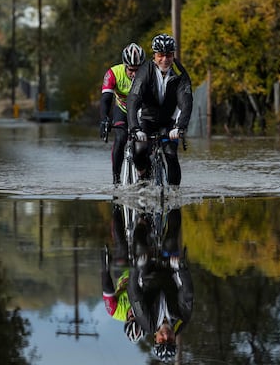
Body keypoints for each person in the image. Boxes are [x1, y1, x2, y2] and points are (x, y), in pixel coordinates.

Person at [127, 208, 193, 362]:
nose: (166, 336)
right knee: (170, 241)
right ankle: (174, 198)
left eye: (162, 340)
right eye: (170, 340)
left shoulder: (147, 323)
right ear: (174, 339)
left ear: (155, 339)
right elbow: (187, 293)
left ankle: (142, 218)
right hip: (169, 271)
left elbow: (134, 294)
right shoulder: (182, 319)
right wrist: (181, 269)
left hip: (148, 274)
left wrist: (136, 268)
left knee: (140, 247)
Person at [127, 34, 193, 185]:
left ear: (173, 55)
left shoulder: (180, 73)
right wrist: (135, 128)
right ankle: (143, 176)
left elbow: (186, 103)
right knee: (140, 149)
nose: (165, 59)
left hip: (169, 121)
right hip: (146, 119)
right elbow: (133, 100)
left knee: (170, 153)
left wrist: (180, 126)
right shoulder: (145, 71)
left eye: (169, 55)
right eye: (160, 55)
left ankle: (174, 198)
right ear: (154, 55)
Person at [100, 43, 146, 185]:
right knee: (120, 138)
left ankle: (146, 173)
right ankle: (116, 179)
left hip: (141, 110)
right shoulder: (113, 73)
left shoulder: (149, 73)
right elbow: (106, 99)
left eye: (138, 70)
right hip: (123, 110)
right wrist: (104, 119)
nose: (134, 74)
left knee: (145, 142)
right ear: (125, 65)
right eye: (131, 70)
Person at [101, 204, 145, 343]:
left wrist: (105, 267)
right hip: (140, 273)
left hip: (124, 272)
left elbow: (107, 289)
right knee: (143, 244)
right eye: (136, 317)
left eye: (130, 317)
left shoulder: (114, 312)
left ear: (125, 320)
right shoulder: (146, 312)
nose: (132, 314)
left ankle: (116, 208)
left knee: (121, 244)